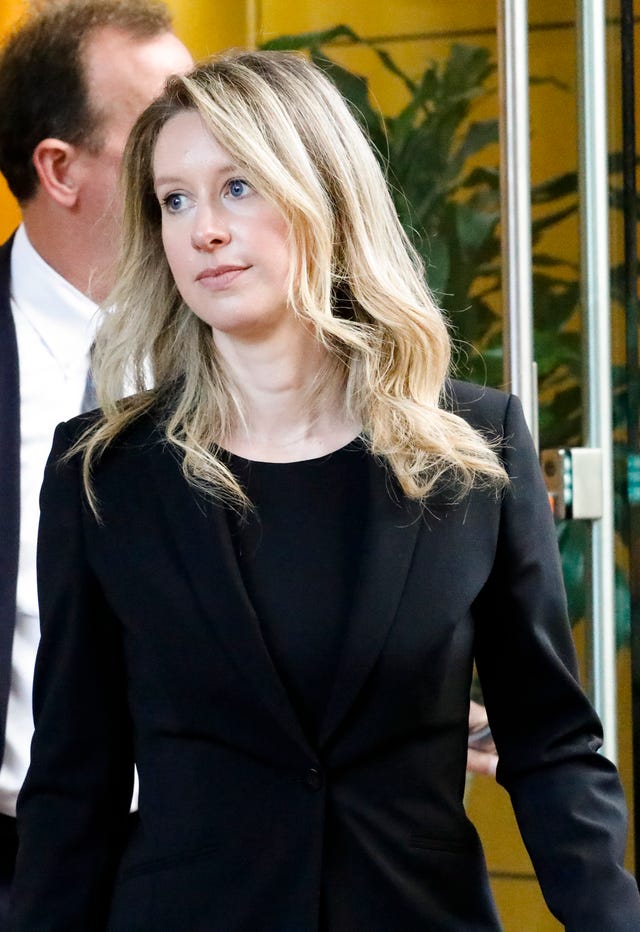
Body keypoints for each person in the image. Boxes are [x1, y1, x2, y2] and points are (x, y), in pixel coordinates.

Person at [9, 50, 640, 930]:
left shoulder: (474, 445)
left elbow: (550, 745)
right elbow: (74, 786)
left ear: (326, 199)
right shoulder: (102, 473)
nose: (203, 230)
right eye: (174, 200)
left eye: (238, 187)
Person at [0, 0, 192, 917]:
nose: (202, 150)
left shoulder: (248, 344)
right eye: (164, 125)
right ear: (59, 169)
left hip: (207, 868)